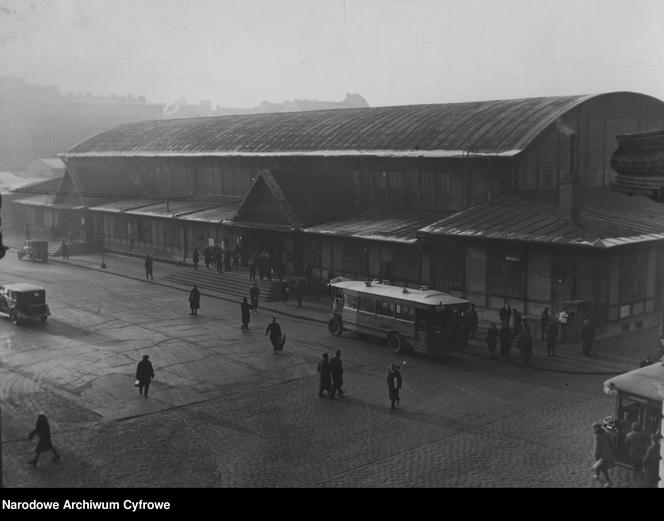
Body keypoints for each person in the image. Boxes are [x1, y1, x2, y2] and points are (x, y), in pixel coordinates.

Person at [592, 422, 615, 487]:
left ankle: (609, 482)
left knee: (604, 469)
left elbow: (597, 447)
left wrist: (596, 455)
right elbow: (611, 442)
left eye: (594, 428)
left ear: (596, 429)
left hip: (602, 455)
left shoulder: (598, 436)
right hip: (608, 453)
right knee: (599, 466)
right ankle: (597, 475)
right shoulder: (607, 433)